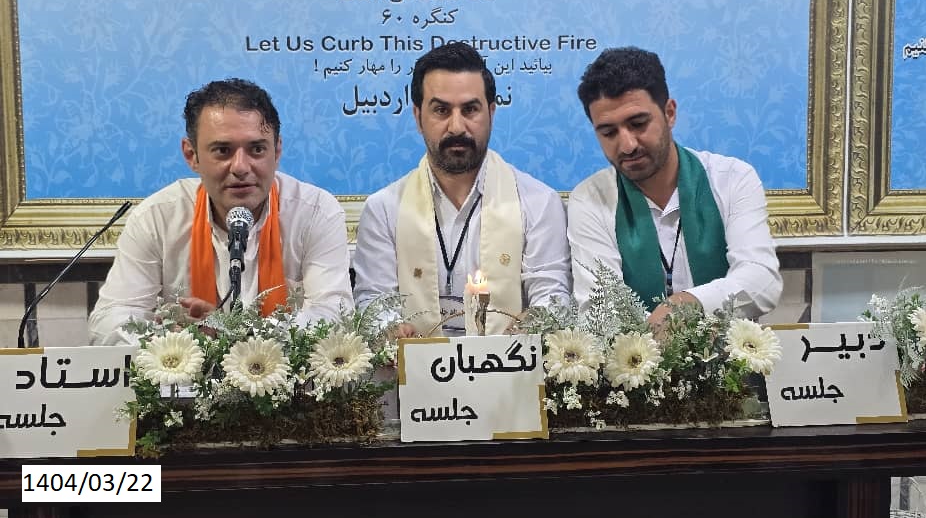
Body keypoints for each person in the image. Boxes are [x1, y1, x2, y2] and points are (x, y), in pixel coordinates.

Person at [89, 78, 353, 345]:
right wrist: (173, 342)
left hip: (288, 371)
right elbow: (109, 321)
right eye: (223, 151)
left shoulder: (315, 212)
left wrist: (234, 336)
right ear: (191, 155)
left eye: (257, 149)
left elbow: (334, 314)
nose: (240, 167)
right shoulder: (157, 218)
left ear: (277, 151)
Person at [353, 42, 571, 336]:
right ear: (418, 117)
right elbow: (373, 302)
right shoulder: (384, 209)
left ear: (491, 112)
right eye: (441, 110)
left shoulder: (539, 202)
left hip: (509, 362)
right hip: (415, 365)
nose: (457, 127)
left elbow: (552, 297)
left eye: (470, 109)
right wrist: (391, 330)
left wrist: (532, 325)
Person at [569, 47, 781, 324]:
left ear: (669, 113)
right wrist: (654, 338)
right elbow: (599, 308)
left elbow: (761, 280)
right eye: (609, 132)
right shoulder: (590, 198)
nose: (627, 145)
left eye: (638, 124)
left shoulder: (732, 178)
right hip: (631, 351)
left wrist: (687, 304)